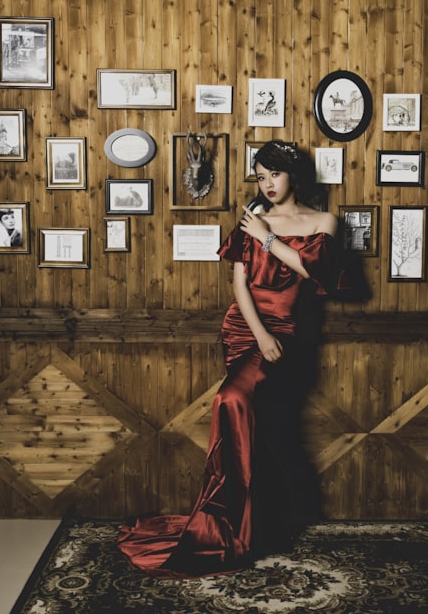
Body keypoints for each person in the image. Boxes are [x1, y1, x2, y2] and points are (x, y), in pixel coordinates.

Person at [117, 140, 338, 578]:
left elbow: (314, 269)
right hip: (246, 329)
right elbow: (239, 287)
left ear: (292, 174)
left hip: (291, 334)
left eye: (273, 174)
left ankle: (252, 523)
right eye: (260, 176)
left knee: (268, 425)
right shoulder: (250, 222)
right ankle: (228, 522)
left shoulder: (322, 220)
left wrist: (267, 237)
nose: (267, 184)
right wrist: (260, 335)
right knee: (232, 403)